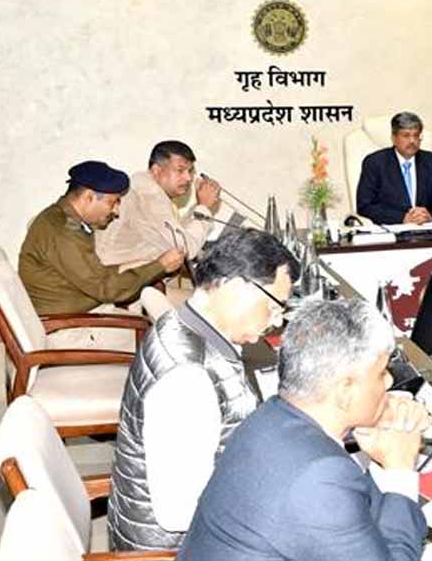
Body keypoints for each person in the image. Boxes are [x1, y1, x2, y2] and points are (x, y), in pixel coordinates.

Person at [179, 298, 431, 561]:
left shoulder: (270, 416)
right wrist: (400, 469)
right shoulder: (320, 475)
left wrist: (378, 446)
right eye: (381, 373)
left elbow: (356, 523)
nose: (389, 381)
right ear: (345, 391)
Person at [107, 229, 299, 551]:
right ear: (235, 287)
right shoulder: (187, 379)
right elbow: (181, 513)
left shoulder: (182, 322)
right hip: (181, 548)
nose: (276, 321)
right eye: (274, 306)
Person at [18, 161, 184, 316]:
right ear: (89, 197)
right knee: (159, 330)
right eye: (113, 202)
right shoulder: (63, 232)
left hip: (78, 311)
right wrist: (159, 266)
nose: (116, 211)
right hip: (72, 324)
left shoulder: (59, 218)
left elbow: (95, 276)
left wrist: (141, 267)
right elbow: (107, 289)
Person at [96, 140, 221, 270]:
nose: (188, 178)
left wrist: (199, 206)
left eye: (190, 171)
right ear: (156, 170)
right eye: (180, 170)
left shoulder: (146, 189)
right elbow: (185, 250)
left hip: (125, 273)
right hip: (116, 276)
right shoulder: (149, 196)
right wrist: (204, 207)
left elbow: (176, 235)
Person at [356, 112, 432, 225]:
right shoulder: (375, 163)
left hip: (427, 229)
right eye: (406, 135)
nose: (412, 141)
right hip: (391, 229)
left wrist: (431, 216)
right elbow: (365, 205)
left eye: (416, 135)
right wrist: (402, 218)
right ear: (394, 138)